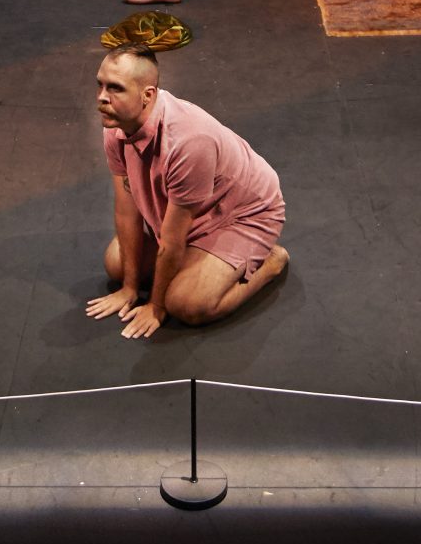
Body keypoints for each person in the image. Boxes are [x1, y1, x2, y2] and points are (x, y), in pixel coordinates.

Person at [85, 44, 290, 338]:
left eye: (115, 88)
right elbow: (125, 208)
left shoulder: (189, 141)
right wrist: (129, 288)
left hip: (243, 215)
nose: (102, 98)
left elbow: (171, 240)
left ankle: (270, 262)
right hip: (189, 214)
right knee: (116, 263)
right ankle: (197, 266)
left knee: (186, 304)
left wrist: (156, 306)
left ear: (148, 95)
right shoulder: (115, 125)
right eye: (100, 84)